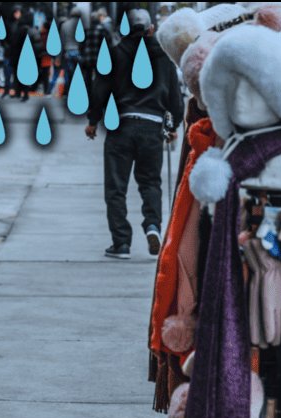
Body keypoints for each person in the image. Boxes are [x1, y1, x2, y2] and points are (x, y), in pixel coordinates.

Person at [85, 9, 184, 260]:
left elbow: (100, 90)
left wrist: (93, 121)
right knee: (151, 182)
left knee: (116, 187)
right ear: (151, 29)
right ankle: (153, 226)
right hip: (152, 128)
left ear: (123, 30)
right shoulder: (164, 57)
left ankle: (121, 243)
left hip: (121, 126)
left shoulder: (115, 54)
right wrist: (172, 128)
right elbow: (175, 98)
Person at [8, 11, 43, 102]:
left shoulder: (20, 29)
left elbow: (14, 44)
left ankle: (20, 93)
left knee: (17, 76)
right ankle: (23, 93)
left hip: (18, 56)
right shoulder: (32, 29)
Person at [81, 11, 110, 94]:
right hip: (99, 58)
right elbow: (108, 44)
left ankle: (89, 96)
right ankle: (98, 97)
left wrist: (83, 55)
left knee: (88, 79)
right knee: (100, 79)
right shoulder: (103, 30)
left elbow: (82, 45)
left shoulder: (86, 31)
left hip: (88, 58)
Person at [59, 7, 83, 97]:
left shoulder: (64, 25)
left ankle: (68, 91)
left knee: (68, 73)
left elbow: (61, 41)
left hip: (68, 52)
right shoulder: (82, 25)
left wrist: (59, 56)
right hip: (79, 52)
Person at [1, 5, 23, 98]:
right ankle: (6, 90)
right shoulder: (7, 23)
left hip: (18, 51)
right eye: (16, 12)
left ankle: (17, 92)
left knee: (18, 73)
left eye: (19, 13)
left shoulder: (21, 24)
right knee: (8, 72)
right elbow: (3, 38)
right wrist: (7, 46)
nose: (18, 15)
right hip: (9, 51)